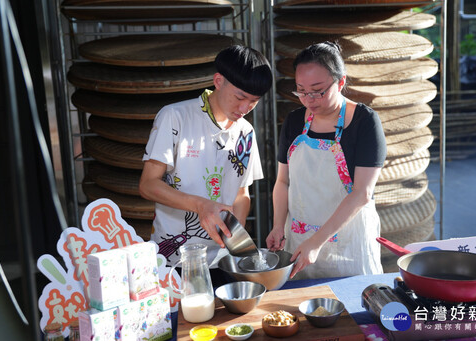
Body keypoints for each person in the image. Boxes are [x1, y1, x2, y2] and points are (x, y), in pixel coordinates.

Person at [139, 45, 272, 281]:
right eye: (240, 97)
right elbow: (148, 185)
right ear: (218, 81)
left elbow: (241, 193)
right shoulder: (175, 116)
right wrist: (201, 205)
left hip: (223, 259)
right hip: (174, 258)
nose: (245, 108)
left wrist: (236, 245)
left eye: (254, 101)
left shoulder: (246, 132)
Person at [266, 42, 386, 279]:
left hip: (349, 245)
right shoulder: (293, 121)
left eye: (317, 90)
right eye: (301, 91)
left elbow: (362, 193)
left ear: (340, 82)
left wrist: (318, 241)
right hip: (300, 240)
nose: (309, 99)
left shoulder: (365, 122)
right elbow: (283, 182)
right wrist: (278, 225)